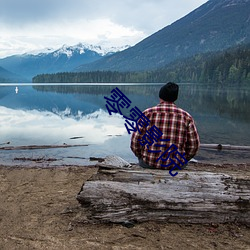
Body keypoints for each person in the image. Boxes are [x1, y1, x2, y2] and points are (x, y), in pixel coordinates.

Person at [130, 82, 200, 170]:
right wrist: (184, 159)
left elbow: (135, 142)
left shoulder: (147, 113)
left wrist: (141, 156)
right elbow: (194, 146)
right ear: (175, 98)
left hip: (149, 163)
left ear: (160, 96)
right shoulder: (186, 117)